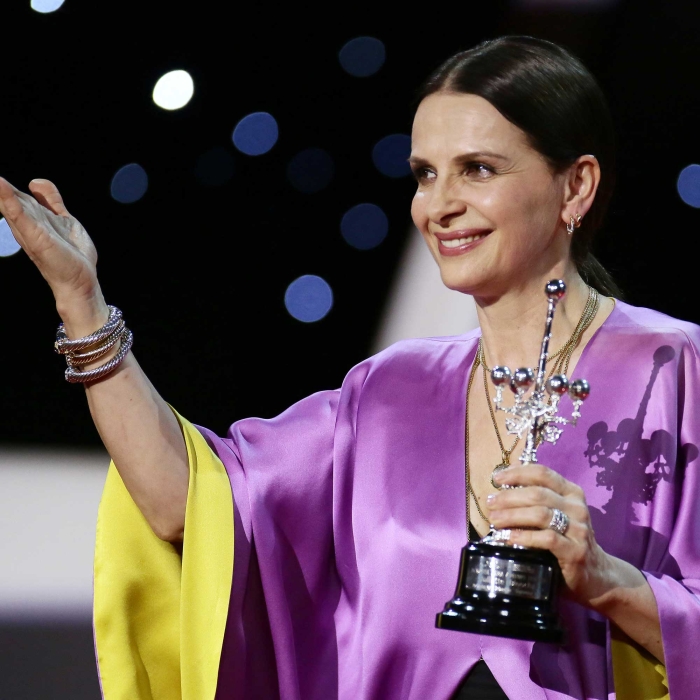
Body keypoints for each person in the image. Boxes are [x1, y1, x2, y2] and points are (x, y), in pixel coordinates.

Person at [0, 35, 697, 700]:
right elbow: (185, 504)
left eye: (478, 169)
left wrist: (607, 581)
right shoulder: (388, 392)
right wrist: (82, 303)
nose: (439, 205)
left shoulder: (678, 372)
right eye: (425, 174)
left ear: (576, 187)